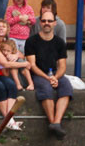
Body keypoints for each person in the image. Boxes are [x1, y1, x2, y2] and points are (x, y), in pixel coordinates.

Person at [24, 10, 70, 138]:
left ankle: (56, 122)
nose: (46, 23)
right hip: (38, 73)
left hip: (54, 73)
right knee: (45, 88)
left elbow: (62, 66)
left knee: (66, 86)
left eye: (49, 21)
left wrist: (55, 77)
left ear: (55, 23)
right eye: (44, 21)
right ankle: (53, 122)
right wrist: (48, 78)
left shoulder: (60, 42)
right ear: (40, 23)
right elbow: (32, 65)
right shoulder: (31, 41)